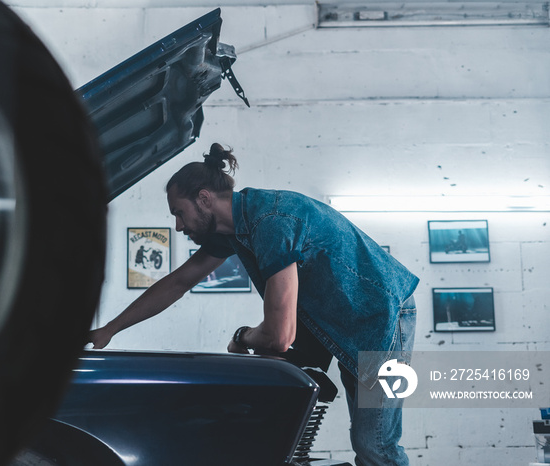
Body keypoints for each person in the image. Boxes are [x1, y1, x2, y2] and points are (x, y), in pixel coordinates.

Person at [88, 143, 419, 465]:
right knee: (273, 391)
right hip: (330, 317)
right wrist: (109, 329)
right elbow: (178, 282)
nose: (178, 225)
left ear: (204, 198)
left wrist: (242, 336)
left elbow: (280, 336)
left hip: (381, 316)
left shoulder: (271, 221)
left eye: (179, 213)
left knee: (374, 446)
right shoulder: (233, 229)